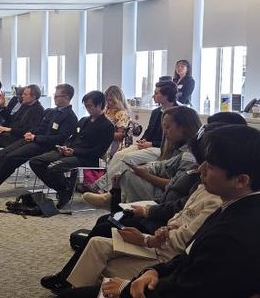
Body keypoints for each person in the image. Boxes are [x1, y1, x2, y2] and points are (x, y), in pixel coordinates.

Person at [43, 112, 248, 296]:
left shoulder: (219, 204)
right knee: (108, 222)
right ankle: (71, 280)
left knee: (108, 226)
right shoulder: (205, 183)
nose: (200, 169)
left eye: (208, 164)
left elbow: (185, 254)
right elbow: (179, 213)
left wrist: (147, 230)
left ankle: (72, 281)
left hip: (160, 232)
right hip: (161, 227)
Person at [0, 84, 78, 197]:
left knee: (11, 157)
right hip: (33, 139)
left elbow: (59, 139)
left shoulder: (70, 117)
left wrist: (35, 137)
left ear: (67, 97)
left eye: (57, 96)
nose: (55, 98)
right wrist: (32, 133)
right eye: (55, 95)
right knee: (2, 153)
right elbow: (40, 127)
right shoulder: (50, 111)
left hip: (46, 145)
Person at [27, 90, 114, 208]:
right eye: (86, 106)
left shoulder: (107, 126)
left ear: (99, 105)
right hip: (70, 152)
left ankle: (64, 190)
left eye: (90, 106)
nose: (88, 109)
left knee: (54, 168)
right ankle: (64, 188)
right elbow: (72, 137)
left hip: (86, 158)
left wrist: (74, 151)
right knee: (35, 161)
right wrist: (65, 147)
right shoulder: (83, 120)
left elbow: (98, 151)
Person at [88, 81, 178, 194]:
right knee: (119, 155)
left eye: (156, 93)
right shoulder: (156, 112)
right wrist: (143, 140)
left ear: (166, 96)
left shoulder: (177, 113)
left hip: (162, 148)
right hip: (149, 145)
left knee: (128, 158)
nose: (153, 96)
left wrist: (151, 144)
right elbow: (149, 131)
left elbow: (174, 139)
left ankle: (103, 187)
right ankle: (102, 184)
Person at [104, 85, 132, 160]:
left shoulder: (122, 114)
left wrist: (103, 135)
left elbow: (120, 135)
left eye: (111, 100)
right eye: (106, 100)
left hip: (115, 146)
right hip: (105, 142)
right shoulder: (106, 111)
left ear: (118, 100)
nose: (108, 103)